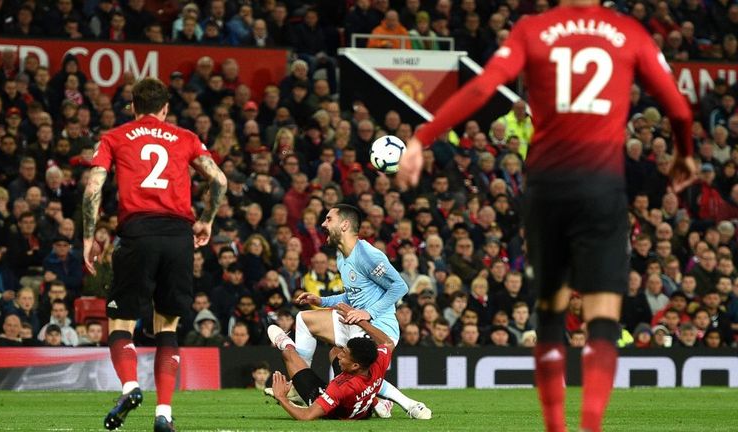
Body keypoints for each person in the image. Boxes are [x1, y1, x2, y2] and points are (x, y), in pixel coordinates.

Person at [397, 1, 696, 431]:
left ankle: (556, 427)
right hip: (601, 189)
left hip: (546, 189)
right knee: (603, 318)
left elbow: (483, 88)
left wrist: (422, 138)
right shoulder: (628, 33)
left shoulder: (533, 29)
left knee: (551, 314)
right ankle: (590, 425)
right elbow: (680, 111)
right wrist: (684, 153)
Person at [82, 78, 227, 432]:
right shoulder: (186, 138)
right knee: (168, 325)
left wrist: (88, 237)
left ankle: (130, 386)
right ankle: (163, 414)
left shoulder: (114, 137)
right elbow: (219, 180)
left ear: (132, 107)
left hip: (138, 233)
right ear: (165, 109)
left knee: (120, 322)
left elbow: (92, 188)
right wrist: (205, 221)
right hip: (178, 237)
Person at [292, 203, 431, 420]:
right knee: (304, 319)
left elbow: (399, 286)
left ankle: (408, 404)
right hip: (354, 319)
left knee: (352, 367)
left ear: (345, 225)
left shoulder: (367, 254)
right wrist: (321, 300)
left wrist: (369, 313)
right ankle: (298, 387)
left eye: (329, 219)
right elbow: (353, 295)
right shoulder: (341, 256)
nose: (323, 224)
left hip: (380, 327)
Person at [266, 303, 394, 420]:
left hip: (330, 406)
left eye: (344, 355)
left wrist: (281, 397)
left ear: (355, 365)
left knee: (288, 354)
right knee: (335, 350)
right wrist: (360, 321)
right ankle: (376, 402)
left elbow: (306, 416)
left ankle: (287, 343)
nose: (340, 357)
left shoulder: (339, 388)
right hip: (363, 411)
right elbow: (388, 342)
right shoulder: (378, 362)